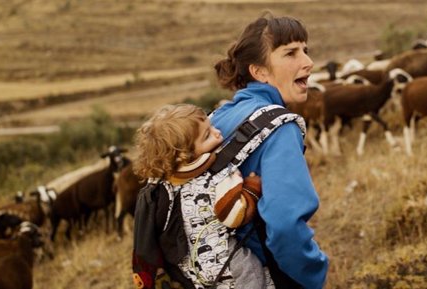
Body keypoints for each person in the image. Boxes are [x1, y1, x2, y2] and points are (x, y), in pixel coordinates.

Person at [212, 13, 329, 289]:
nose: (308, 62)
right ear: (259, 71)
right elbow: (286, 226)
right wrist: (315, 273)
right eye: (290, 53)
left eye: (305, 50)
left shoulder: (216, 118)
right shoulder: (279, 127)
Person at [132, 103, 273, 289]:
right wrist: (252, 188)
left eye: (211, 125)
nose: (217, 133)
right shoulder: (218, 175)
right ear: (184, 155)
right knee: (254, 273)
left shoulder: (165, 185)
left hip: (193, 270)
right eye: (207, 135)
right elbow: (233, 215)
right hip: (228, 263)